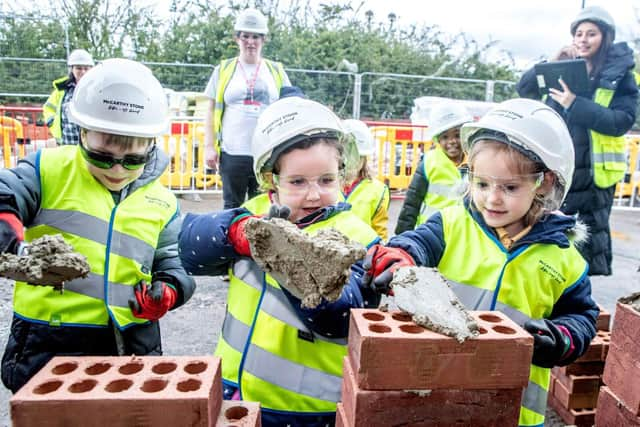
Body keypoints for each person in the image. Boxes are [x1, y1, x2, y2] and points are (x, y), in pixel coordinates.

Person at [361, 99, 599, 427]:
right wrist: (397, 259)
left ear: (543, 182)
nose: (491, 198)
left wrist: (561, 338)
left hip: (514, 410)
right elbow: (415, 243)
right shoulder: (451, 224)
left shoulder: (565, 258)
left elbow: (582, 316)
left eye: (510, 187)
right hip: (437, 396)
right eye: (482, 183)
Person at [179, 97, 381, 427]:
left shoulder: (356, 236)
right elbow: (187, 248)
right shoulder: (255, 213)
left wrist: (288, 258)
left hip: (308, 410)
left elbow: (341, 319)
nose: (314, 195)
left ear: (342, 174)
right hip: (236, 394)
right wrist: (238, 233)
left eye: (327, 180)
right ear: (272, 179)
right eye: (298, 182)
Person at [0, 58, 196, 393]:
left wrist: (170, 289)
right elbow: (7, 193)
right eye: (103, 156)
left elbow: (174, 260)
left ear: (152, 144)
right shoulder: (47, 170)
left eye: (133, 159)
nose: (117, 170)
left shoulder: (163, 201)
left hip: (129, 344)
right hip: (48, 342)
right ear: (82, 132)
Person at [516, 5, 638, 276]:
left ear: (605, 37)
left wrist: (574, 103)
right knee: (546, 236)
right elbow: (525, 90)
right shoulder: (565, 67)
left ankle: (574, 306)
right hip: (557, 165)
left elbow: (620, 121)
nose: (583, 39)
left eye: (591, 33)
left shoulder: (620, 76)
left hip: (592, 177)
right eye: (578, 33)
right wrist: (551, 61)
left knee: (581, 245)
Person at [203, 7, 290, 209]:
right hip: (232, 152)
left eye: (256, 37)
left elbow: (289, 104)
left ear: (263, 40)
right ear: (237, 39)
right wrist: (209, 147)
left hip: (266, 153)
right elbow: (209, 110)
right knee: (232, 206)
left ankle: (255, 242)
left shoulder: (275, 70)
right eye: (245, 36)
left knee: (262, 206)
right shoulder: (223, 70)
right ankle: (232, 241)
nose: (250, 42)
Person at [395, 102, 473, 234]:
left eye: (456, 135)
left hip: (463, 234)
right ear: (437, 139)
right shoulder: (429, 162)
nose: (452, 141)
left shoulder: (475, 161)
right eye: (445, 137)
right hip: (431, 233)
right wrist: (401, 237)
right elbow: (411, 204)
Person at [342, 119, 390, 240]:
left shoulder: (378, 190)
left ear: (364, 159)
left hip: (363, 253)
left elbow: (379, 231)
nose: (349, 163)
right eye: (345, 157)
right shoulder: (324, 186)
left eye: (356, 157)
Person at [43, 48, 95, 145]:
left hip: (89, 144)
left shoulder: (97, 89)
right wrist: (52, 123)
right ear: (72, 69)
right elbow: (48, 107)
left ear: (91, 69)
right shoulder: (62, 90)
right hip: (67, 142)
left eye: (86, 68)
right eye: (79, 68)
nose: (83, 71)